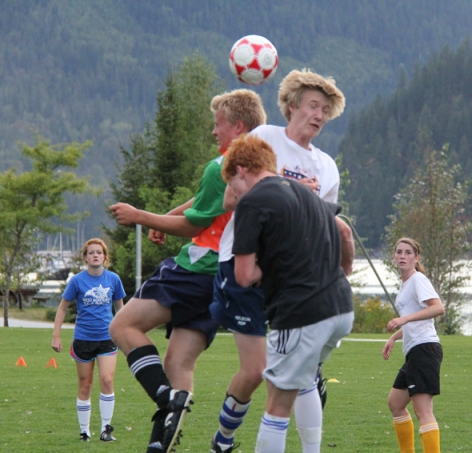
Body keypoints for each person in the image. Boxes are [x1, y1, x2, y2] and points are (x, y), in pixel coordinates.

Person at [108, 89, 266, 453]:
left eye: (218, 125)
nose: (214, 132)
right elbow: (204, 203)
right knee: (178, 361)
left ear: (238, 126)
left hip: (196, 268)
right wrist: (170, 216)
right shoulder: (260, 166)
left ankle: (165, 397)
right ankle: (160, 445)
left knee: (122, 326)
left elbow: (198, 225)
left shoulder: (220, 165)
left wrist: (141, 216)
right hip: (223, 280)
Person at [209, 68, 352, 453]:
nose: (318, 115)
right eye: (312, 106)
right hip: (244, 264)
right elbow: (229, 200)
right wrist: (286, 189)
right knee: (258, 370)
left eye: (325, 109)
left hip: (293, 279)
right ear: (291, 106)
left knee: (299, 372)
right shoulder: (264, 138)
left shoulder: (326, 166)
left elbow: (326, 229)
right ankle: (223, 440)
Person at [51, 238, 126, 442]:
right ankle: (84, 431)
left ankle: (105, 429)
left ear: (104, 256)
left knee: (107, 380)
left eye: (99, 252)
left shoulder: (113, 279)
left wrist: (126, 334)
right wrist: (56, 335)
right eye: (91, 252)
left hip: (107, 339)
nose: (95, 255)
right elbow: (63, 308)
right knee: (85, 384)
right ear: (85, 257)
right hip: (83, 339)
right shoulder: (77, 281)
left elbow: (121, 310)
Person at [382, 237, 445, 453]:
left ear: (416, 258)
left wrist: (404, 319)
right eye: (399, 252)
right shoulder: (405, 285)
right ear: (394, 256)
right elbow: (415, 319)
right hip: (414, 351)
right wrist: (394, 337)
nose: (402, 256)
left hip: (425, 349)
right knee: (396, 403)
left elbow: (438, 308)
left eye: (407, 252)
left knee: (423, 411)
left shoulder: (418, 280)